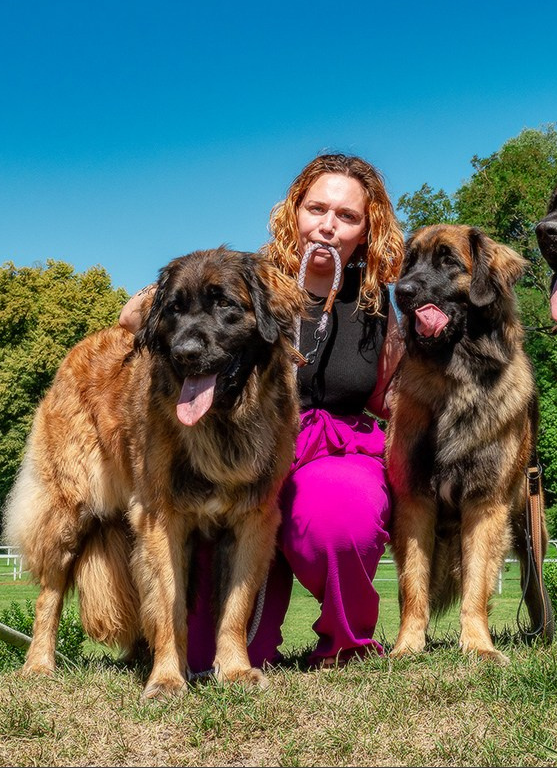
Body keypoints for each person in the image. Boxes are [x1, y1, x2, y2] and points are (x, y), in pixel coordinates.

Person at [119, 153, 405, 670]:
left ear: (366, 231)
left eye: (347, 216)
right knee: (206, 660)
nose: (328, 225)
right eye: (316, 209)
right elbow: (137, 316)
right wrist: (161, 298)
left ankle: (344, 644)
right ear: (294, 212)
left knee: (339, 514)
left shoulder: (374, 304)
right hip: (238, 448)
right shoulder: (246, 276)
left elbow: (389, 398)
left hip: (329, 452)